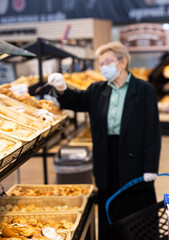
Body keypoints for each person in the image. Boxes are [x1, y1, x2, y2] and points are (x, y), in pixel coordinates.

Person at [48, 41, 161, 239]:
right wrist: (62, 88)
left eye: (107, 62)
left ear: (123, 62)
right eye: (100, 64)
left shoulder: (144, 90)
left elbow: (152, 130)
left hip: (134, 158)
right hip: (106, 157)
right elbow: (76, 101)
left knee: (135, 210)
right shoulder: (97, 89)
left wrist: (151, 166)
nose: (103, 67)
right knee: (110, 209)